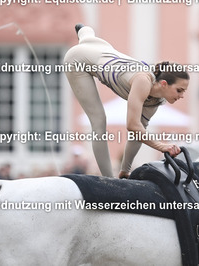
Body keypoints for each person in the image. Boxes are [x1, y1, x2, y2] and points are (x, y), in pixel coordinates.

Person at [64, 24, 189, 178]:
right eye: (179, 90)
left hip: (101, 50)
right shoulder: (143, 81)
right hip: (77, 61)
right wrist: (161, 146)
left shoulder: (156, 101)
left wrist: (125, 170)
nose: (182, 96)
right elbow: (132, 125)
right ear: (164, 84)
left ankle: (84, 31)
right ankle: (109, 180)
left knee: (89, 40)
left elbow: (138, 133)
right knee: (99, 120)